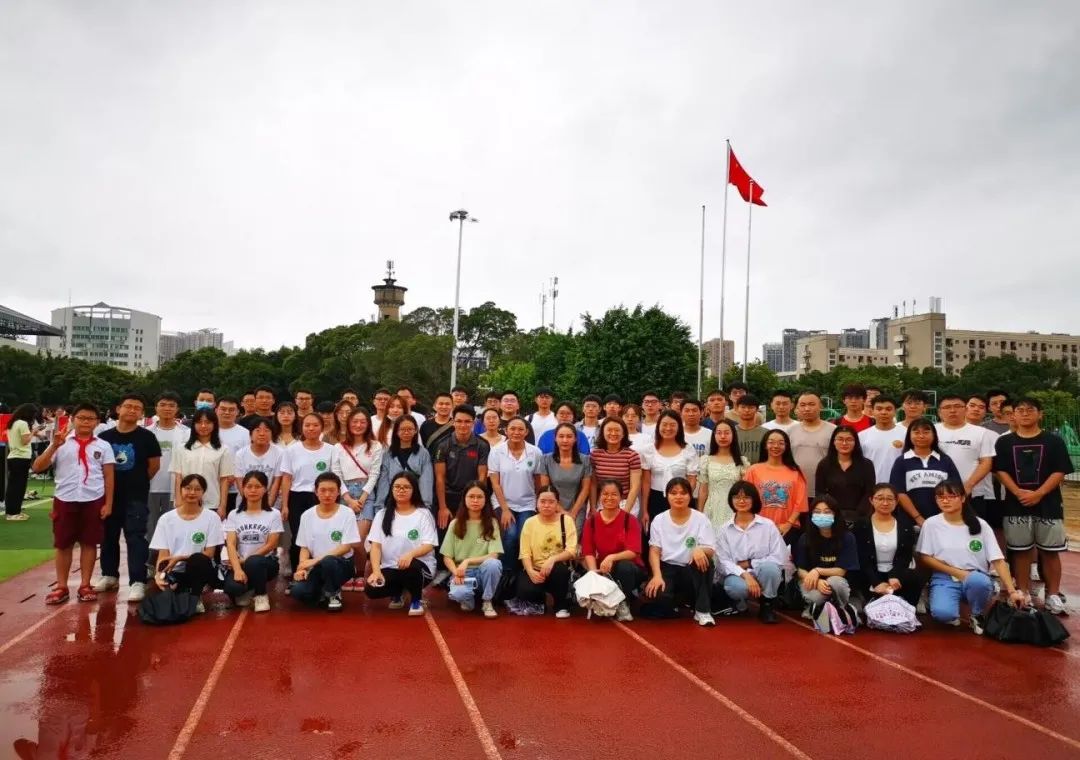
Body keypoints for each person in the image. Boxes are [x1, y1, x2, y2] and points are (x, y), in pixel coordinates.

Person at [993, 397, 1072, 614]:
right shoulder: (1004, 442)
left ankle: (1053, 594)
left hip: (1049, 504)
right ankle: (1023, 591)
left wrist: (1039, 493)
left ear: (1040, 414)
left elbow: (1060, 471)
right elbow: (1000, 470)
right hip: (1015, 503)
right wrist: (1018, 492)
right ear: (1013, 415)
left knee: (1050, 551)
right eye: (1020, 410)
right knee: (1020, 551)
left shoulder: (1054, 441)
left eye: (1030, 410)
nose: (1025, 413)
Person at [916, 480, 1025, 634]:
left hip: (975, 576)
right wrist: (958, 573)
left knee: (978, 581)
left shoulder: (981, 525)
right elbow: (925, 557)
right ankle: (949, 606)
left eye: (951, 496)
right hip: (945, 578)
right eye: (941, 497)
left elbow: (997, 560)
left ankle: (976, 613)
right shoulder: (931, 524)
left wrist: (1012, 591)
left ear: (962, 498)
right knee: (943, 614)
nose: (945, 501)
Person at [32, 404, 115, 604]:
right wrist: (54, 446)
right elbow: (37, 467)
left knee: (89, 543)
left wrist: (109, 503)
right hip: (65, 498)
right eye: (81, 417)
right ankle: (61, 586)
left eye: (90, 418)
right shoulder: (60, 442)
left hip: (93, 498)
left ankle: (85, 585)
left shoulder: (103, 445)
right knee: (63, 544)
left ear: (97, 422)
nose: (86, 422)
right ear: (73, 419)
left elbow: (109, 476)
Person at [96, 394, 162, 603]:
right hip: (108, 496)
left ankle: (137, 581)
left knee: (135, 537)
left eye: (137, 408)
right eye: (128, 406)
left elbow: (154, 466)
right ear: (118, 409)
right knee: (108, 536)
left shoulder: (147, 437)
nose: (132, 410)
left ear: (142, 413)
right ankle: (109, 574)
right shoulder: (104, 437)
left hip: (136, 496)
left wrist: (137, 481)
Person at [644, 478, 716, 626]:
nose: (678, 496)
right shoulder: (659, 519)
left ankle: (702, 611)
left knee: (705, 561)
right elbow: (654, 551)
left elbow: (710, 549)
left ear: (690, 495)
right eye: (674, 493)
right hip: (667, 567)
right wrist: (657, 575)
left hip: (690, 568)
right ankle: (677, 602)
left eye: (683, 493)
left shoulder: (701, 519)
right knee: (657, 594)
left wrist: (699, 549)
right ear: (667, 496)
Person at [149, 473, 223, 613]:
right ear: (181, 490)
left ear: (203, 492)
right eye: (188, 488)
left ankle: (196, 597)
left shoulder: (212, 518)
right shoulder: (166, 519)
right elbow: (163, 555)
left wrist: (179, 558)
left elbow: (209, 554)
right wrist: (159, 574)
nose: (192, 492)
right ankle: (182, 590)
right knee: (161, 600)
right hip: (175, 570)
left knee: (198, 559)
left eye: (197, 489)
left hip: (201, 568)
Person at [366, 471, 437, 616]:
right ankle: (398, 593)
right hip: (391, 567)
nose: (401, 490)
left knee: (411, 568)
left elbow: (429, 544)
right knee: (371, 590)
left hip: (419, 567)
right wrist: (376, 571)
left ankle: (416, 600)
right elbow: (376, 546)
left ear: (414, 490)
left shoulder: (423, 514)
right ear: (391, 489)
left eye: (406, 487)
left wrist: (410, 554)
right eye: (397, 487)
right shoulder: (382, 515)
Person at [715, 481, 786, 623]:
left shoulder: (768, 525)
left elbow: (779, 556)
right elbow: (723, 562)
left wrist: (750, 563)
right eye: (737, 497)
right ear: (731, 500)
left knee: (771, 569)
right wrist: (745, 574)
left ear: (754, 500)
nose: (741, 501)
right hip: (738, 574)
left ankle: (767, 604)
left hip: (762, 571)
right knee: (736, 587)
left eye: (746, 497)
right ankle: (740, 603)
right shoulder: (724, 529)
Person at [291, 472, 361, 612]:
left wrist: (314, 561)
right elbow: (304, 546)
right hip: (317, 566)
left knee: (329, 561)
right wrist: (302, 567)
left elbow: (346, 547)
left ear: (338, 492)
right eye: (323, 490)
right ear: (316, 492)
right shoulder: (307, 515)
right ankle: (324, 591)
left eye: (332, 490)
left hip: (341, 564)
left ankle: (333, 593)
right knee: (298, 592)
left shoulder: (347, 513)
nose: (327, 494)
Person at [332, 407, 383, 588]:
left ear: (368, 424)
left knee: (358, 539)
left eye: (362, 421)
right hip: (344, 493)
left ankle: (360, 573)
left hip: (366, 494)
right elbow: (336, 473)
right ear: (348, 423)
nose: (358, 425)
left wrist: (361, 498)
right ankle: (347, 573)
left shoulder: (376, 446)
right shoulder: (339, 447)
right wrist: (347, 498)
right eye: (355, 421)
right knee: (344, 539)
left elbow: (375, 473)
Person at [581, 479, 645, 621]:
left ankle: (624, 603)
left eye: (614, 494)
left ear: (621, 497)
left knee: (624, 567)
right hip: (604, 567)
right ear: (599, 496)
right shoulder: (592, 521)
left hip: (629, 567)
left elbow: (633, 551)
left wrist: (611, 557)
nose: (609, 498)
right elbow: (588, 551)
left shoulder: (630, 520)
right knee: (588, 574)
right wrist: (594, 573)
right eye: (605, 494)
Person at [280, 413, 336, 573]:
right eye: (307, 425)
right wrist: (285, 505)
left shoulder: (331, 450)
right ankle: (298, 572)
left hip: (322, 498)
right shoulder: (291, 450)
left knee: (321, 534)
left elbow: (335, 476)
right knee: (299, 536)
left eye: (315, 425)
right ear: (302, 428)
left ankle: (320, 571)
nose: (311, 428)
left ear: (322, 427)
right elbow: (286, 478)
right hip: (297, 497)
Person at [440, 481, 503, 618]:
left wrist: (467, 561)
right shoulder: (455, 523)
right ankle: (468, 599)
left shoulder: (492, 523)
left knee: (494, 564)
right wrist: (456, 572)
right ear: (464, 499)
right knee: (459, 594)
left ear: (486, 500)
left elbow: (494, 555)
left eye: (479, 497)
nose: (475, 500)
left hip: (483, 572)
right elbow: (447, 557)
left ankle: (487, 601)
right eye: (471, 496)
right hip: (463, 573)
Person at [222, 471, 283, 613]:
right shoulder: (234, 514)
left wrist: (246, 560)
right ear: (243, 489)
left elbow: (272, 544)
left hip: (265, 563)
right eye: (249, 486)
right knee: (232, 588)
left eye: (258, 486)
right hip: (241, 563)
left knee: (255, 562)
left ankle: (261, 595)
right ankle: (249, 589)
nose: (253, 490)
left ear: (265, 489)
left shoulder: (274, 514)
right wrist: (237, 569)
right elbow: (230, 543)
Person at [853, 484, 922, 607]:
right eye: (880, 498)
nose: (885, 503)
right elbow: (861, 558)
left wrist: (894, 576)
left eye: (890, 499)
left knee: (914, 578)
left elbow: (905, 556)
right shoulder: (861, 525)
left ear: (896, 501)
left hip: (896, 575)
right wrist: (876, 582)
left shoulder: (905, 526)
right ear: (871, 500)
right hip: (870, 574)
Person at [516, 485, 577, 618]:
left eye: (551, 502)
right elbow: (525, 552)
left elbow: (571, 551)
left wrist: (552, 559)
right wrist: (530, 571)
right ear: (537, 503)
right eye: (542, 501)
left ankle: (561, 605)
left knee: (560, 571)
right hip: (536, 569)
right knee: (525, 591)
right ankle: (541, 600)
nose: (546, 505)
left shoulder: (566, 520)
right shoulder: (530, 522)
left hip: (558, 569)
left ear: (557, 504)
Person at [935, 394, 997, 524]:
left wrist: (968, 486)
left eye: (957, 406)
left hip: (972, 493)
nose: (953, 410)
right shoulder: (932, 430)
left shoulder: (981, 432)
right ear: (940, 412)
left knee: (973, 531)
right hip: (938, 493)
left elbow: (986, 462)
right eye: (947, 407)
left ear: (965, 409)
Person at [488, 417, 542, 566]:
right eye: (512, 429)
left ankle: (524, 569)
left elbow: (538, 481)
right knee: (510, 535)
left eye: (520, 429)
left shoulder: (535, 452)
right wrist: (505, 509)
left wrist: (539, 503)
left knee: (523, 536)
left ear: (526, 432)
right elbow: (495, 483)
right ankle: (506, 570)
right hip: (503, 502)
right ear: (506, 431)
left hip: (528, 503)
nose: (516, 432)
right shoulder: (496, 452)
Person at [890, 419, 962, 526]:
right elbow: (899, 492)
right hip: (910, 521)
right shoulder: (901, 461)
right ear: (909, 436)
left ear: (934, 435)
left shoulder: (945, 460)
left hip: (943, 520)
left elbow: (956, 490)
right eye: (916, 432)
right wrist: (918, 518)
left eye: (926, 432)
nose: (921, 436)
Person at [145, 393, 189, 567]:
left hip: (176, 489)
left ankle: (172, 565)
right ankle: (150, 565)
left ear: (177, 409)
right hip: (151, 487)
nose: (167, 408)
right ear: (156, 407)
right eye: (163, 404)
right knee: (150, 529)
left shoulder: (186, 433)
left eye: (171, 405)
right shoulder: (147, 432)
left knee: (174, 528)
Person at [745, 429, 808, 549]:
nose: (776, 446)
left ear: (786, 446)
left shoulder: (795, 472)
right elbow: (747, 499)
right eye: (771, 442)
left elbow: (800, 503)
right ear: (765, 445)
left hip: (788, 529)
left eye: (781, 443)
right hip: (758, 527)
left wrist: (788, 524)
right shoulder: (753, 470)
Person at [796, 495, 858, 616]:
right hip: (813, 580)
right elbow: (800, 569)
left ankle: (842, 609)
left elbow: (841, 571)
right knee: (816, 597)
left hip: (837, 579)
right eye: (817, 512)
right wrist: (816, 581)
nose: (822, 515)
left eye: (827, 512)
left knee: (835, 582)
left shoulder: (847, 537)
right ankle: (817, 607)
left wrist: (817, 571)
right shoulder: (805, 538)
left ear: (835, 514)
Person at [434, 405, 490, 537]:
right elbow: (440, 477)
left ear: (473, 422)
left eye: (467, 421)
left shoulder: (482, 445)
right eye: (459, 421)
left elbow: (482, 477)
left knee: (471, 534)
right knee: (445, 535)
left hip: (471, 496)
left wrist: (476, 501)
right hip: (448, 497)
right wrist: (442, 507)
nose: (463, 425)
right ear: (453, 422)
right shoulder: (442, 445)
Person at [169, 409, 234, 519]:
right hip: (185, 502)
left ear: (214, 425)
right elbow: (178, 477)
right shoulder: (181, 449)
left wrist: (222, 506)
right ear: (193, 425)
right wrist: (179, 500)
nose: (203, 426)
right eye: (199, 422)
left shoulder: (223, 449)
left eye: (208, 422)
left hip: (211, 503)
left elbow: (224, 480)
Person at [640, 410, 699, 527]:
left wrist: (683, 496)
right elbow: (646, 482)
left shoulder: (688, 449)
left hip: (682, 499)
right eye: (664, 424)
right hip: (656, 499)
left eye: (672, 425)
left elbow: (692, 479)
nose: (668, 428)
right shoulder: (649, 450)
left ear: (679, 427)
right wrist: (644, 509)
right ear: (658, 426)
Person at [538, 423, 593, 534]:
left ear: (575, 439)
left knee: (573, 534)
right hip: (552, 506)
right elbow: (546, 489)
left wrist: (573, 513)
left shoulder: (585, 460)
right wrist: (562, 511)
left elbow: (585, 489)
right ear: (555, 438)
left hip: (577, 507)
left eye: (569, 436)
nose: (565, 440)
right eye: (561, 436)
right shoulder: (545, 460)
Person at [815, 426, 876, 526]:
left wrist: (858, 514)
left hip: (860, 517)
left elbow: (869, 492)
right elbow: (819, 492)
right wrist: (830, 512)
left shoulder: (866, 465)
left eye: (849, 439)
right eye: (840, 439)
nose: (844, 443)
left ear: (855, 442)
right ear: (833, 442)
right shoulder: (824, 465)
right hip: (831, 517)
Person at [697, 420, 749, 533]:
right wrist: (699, 513)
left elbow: (745, 491)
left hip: (735, 509)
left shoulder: (742, 462)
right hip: (712, 508)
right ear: (714, 435)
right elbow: (703, 490)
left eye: (727, 433)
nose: (723, 436)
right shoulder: (706, 460)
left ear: (733, 435)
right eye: (719, 433)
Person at [375, 415, 433, 512]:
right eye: (402, 429)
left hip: (416, 502)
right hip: (393, 501)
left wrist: (425, 506)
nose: (406, 432)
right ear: (396, 431)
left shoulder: (423, 454)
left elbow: (426, 481)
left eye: (410, 429)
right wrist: (379, 506)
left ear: (415, 430)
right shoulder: (388, 454)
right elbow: (383, 482)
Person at [589, 417, 644, 518]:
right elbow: (593, 484)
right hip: (602, 502)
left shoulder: (632, 455)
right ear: (602, 432)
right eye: (609, 430)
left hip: (625, 502)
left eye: (617, 430)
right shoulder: (595, 455)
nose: (613, 433)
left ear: (623, 433)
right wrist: (593, 507)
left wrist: (625, 512)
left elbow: (635, 486)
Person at [788, 392, 836, 500]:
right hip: (795, 490)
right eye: (803, 405)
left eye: (811, 404)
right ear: (797, 408)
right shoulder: (790, 431)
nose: (807, 408)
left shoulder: (833, 430)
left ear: (820, 406)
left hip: (825, 491)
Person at [232, 419, 283, 507]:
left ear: (272, 434)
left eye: (266, 430)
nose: (262, 434)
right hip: (245, 503)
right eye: (258, 430)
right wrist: (249, 505)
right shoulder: (240, 454)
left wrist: (268, 507)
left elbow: (276, 482)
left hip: (271, 503)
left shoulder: (279, 453)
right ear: (250, 435)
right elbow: (240, 481)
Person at [858, 396, 905, 482]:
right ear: (872, 411)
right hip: (872, 485)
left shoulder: (906, 434)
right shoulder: (862, 436)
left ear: (895, 411)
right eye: (879, 409)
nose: (883, 412)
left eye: (888, 409)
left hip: (899, 485)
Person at [4, 403, 36, 521]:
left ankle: (13, 511)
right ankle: (13, 513)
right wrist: (33, 432)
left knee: (13, 486)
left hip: (13, 456)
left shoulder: (12, 423)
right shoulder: (23, 424)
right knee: (18, 487)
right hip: (21, 457)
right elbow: (25, 441)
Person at [732, 394, 766, 462]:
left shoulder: (766, 433)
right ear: (737, 408)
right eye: (743, 407)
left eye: (751, 407)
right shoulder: (731, 432)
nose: (747, 410)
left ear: (757, 410)